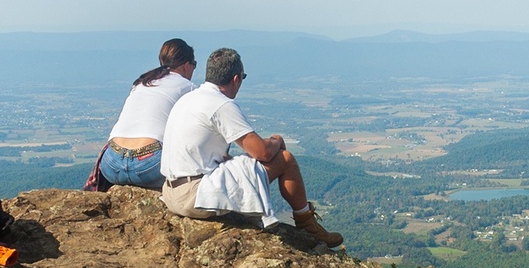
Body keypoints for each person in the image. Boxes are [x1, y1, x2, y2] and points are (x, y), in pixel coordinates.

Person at [160, 47, 343, 247]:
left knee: (240, 167)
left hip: (171, 192)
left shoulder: (189, 98)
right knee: (285, 159)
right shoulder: (220, 104)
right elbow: (262, 152)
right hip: (194, 196)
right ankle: (306, 223)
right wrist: (277, 140)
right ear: (236, 78)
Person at [90, 38, 196, 190]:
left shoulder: (143, 82)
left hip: (110, 164)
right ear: (186, 65)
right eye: (194, 65)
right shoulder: (188, 87)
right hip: (149, 166)